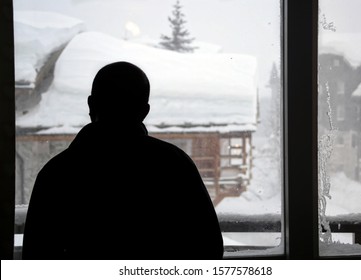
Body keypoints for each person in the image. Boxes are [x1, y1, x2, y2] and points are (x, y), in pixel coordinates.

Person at [22, 61, 224, 260]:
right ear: (145, 111)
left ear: (91, 105)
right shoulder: (175, 166)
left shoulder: (57, 174)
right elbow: (209, 249)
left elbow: (36, 258)